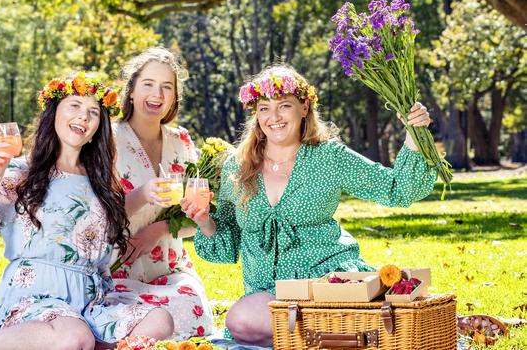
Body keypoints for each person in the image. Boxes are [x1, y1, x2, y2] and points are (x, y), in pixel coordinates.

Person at [181, 65, 437, 347]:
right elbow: (227, 245)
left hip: (327, 284)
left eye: (284, 106)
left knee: (262, 321)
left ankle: (335, 331)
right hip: (268, 298)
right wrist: (205, 221)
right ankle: (336, 337)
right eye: (264, 108)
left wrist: (415, 135)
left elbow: (397, 189)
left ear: (304, 108)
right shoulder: (237, 167)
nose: (273, 117)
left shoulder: (329, 157)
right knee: (242, 320)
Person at [0, 73, 172, 350]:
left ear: (98, 128)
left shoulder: (100, 182)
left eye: (93, 112)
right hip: (33, 296)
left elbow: (103, 223)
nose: (84, 116)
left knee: (160, 320)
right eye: (75, 106)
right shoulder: (22, 173)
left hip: (91, 302)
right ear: (54, 112)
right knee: (73, 337)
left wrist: (144, 193)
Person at [108, 47, 213, 340]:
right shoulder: (107, 139)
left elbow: (197, 215)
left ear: (174, 97)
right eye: (148, 84)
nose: (157, 94)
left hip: (170, 266)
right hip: (117, 267)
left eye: (167, 87)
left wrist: (161, 228)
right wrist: (142, 194)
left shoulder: (181, 141)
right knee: (134, 319)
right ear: (130, 91)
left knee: (191, 309)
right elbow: (97, 214)